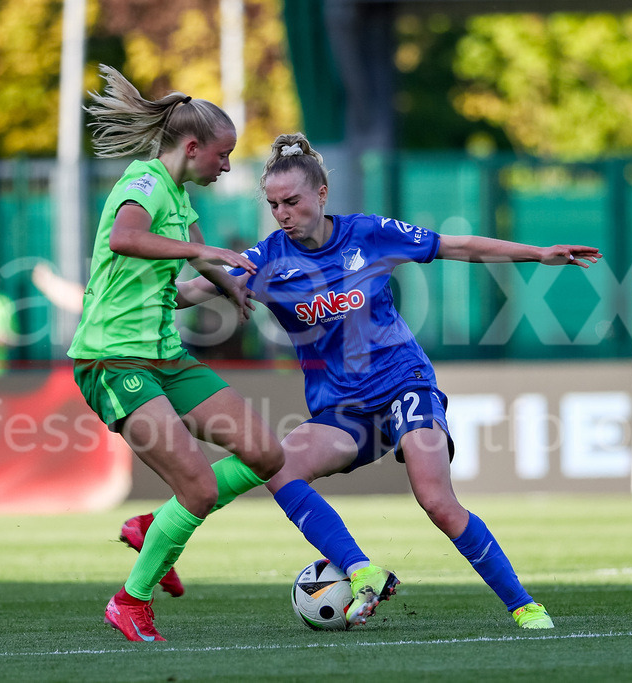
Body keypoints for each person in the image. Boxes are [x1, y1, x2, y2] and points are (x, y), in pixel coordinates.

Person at [176, 132, 603, 629]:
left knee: (436, 501)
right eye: (273, 205)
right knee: (279, 468)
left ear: (321, 194)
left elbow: (456, 246)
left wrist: (538, 253)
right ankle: (362, 571)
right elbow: (189, 291)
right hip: (342, 413)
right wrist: (132, 277)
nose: (283, 214)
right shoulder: (266, 260)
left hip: (405, 385)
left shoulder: (369, 233)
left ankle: (525, 607)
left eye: (291, 201)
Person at [68, 64, 283, 643]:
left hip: (165, 356)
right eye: (224, 154)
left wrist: (225, 282)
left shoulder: (179, 198)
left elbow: (178, 285)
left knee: (266, 452)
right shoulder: (141, 182)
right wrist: (204, 251)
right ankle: (129, 601)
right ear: (192, 147)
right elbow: (125, 238)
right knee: (199, 488)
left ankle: (154, 525)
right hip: (113, 360)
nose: (228, 165)